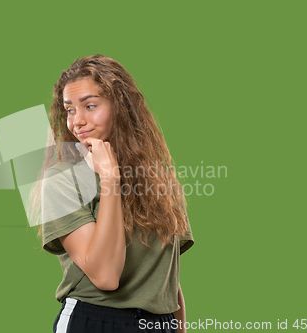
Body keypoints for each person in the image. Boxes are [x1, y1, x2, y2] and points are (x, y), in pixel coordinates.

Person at [33, 54, 194, 333]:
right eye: (69, 110)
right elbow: (106, 277)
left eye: (90, 106)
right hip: (94, 320)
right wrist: (110, 179)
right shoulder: (62, 179)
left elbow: (166, 279)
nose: (77, 121)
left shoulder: (159, 178)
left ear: (121, 107)